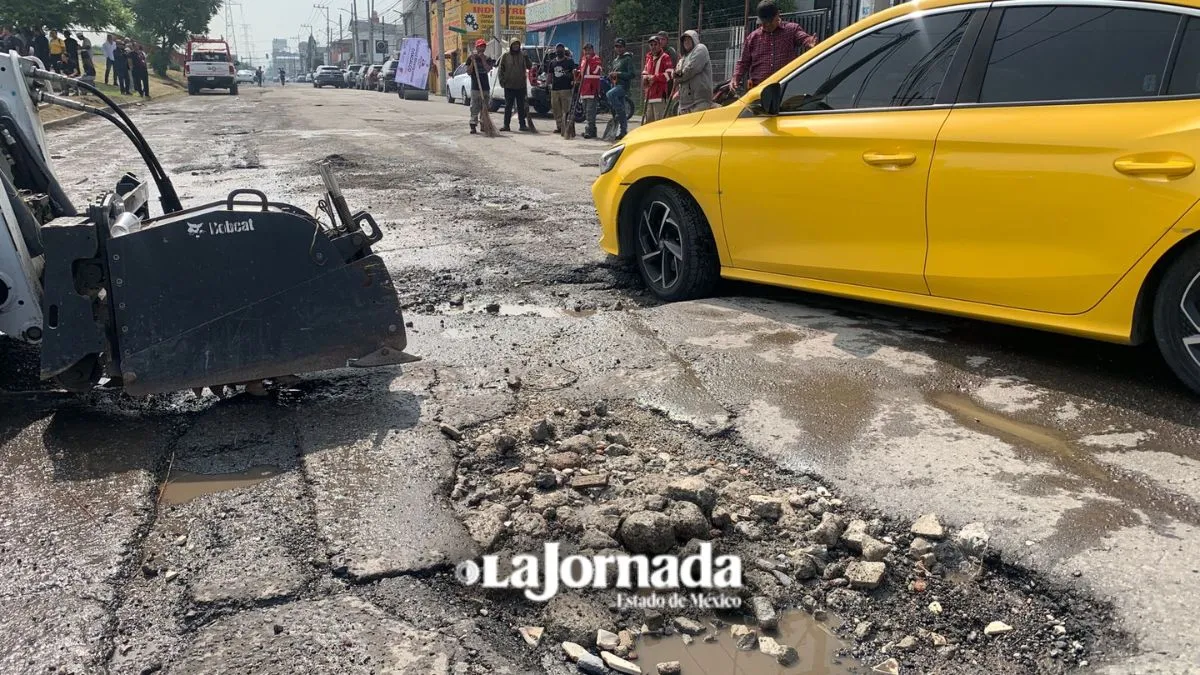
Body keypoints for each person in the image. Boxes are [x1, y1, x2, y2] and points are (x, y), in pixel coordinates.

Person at [732, 0, 817, 92]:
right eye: (763, 23)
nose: (767, 25)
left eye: (770, 21)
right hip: (759, 90)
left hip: (785, 89)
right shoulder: (753, 38)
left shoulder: (791, 30)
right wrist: (736, 77)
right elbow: (743, 62)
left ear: (777, 15)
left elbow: (803, 38)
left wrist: (810, 41)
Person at [674, 30, 714, 114]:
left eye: (689, 39)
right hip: (684, 104)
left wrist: (677, 77)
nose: (686, 42)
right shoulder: (683, 58)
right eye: (684, 40)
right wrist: (676, 77)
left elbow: (690, 70)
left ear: (694, 39)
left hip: (699, 102)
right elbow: (676, 74)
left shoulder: (701, 49)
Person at [497, 38, 532, 132]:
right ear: (511, 45)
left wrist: (526, 57)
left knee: (521, 106)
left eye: (517, 44)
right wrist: (502, 81)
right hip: (509, 85)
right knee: (508, 106)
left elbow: (529, 66)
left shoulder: (522, 55)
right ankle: (506, 125)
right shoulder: (505, 55)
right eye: (514, 44)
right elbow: (500, 70)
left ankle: (522, 125)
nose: (516, 46)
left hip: (521, 85)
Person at [606, 38, 636, 141]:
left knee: (610, 95)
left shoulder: (628, 59)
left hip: (623, 86)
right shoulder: (615, 60)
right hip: (615, 85)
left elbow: (632, 74)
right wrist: (611, 76)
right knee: (618, 103)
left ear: (624, 47)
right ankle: (623, 132)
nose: (618, 48)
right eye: (616, 46)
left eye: (620, 46)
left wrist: (619, 74)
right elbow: (614, 73)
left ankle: (620, 112)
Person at [641, 34, 673, 124]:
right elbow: (645, 71)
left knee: (659, 122)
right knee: (649, 123)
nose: (653, 47)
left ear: (659, 45)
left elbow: (669, 74)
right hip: (649, 95)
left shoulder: (665, 57)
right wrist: (645, 77)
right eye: (651, 45)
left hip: (659, 95)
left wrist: (655, 78)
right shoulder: (648, 58)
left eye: (655, 45)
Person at [577, 43, 604, 139]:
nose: (587, 52)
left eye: (589, 49)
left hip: (592, 88)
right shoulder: (583, 59)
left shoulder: (596, 59)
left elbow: (596, 71)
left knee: (590, 111)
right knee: (585, 111)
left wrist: (590, 61)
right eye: (585, 50)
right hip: (584, 88)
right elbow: (581, 72)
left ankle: (590, 131)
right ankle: (591, 130)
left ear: (592, 50)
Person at [548, 43, 576, 135]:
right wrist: (548, 85)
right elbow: (550, 75)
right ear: (555, 51)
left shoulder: (569, 61)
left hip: (566, 89)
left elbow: (574, 73)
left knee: (566, 109)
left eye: (561, 49)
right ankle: (559, 127)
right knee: (556, 110)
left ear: (564, 51)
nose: (559, 51)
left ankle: (567, 127)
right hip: (555, 89)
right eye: (558, 49)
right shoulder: (552, 62)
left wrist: (573, 81)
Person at [466, 38, 490, 135]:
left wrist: (483, 60)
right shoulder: (471, 58)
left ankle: (484, 124)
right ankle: (473, 126)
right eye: (480, 46)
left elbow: (488, 69)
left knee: (484, 106)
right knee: (474, 107)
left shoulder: (487, 58)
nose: (482, 48)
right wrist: (472, 62)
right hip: (475, 87)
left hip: (485, 87)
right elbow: (468, 72)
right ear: (476, 47)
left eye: (483, 46)